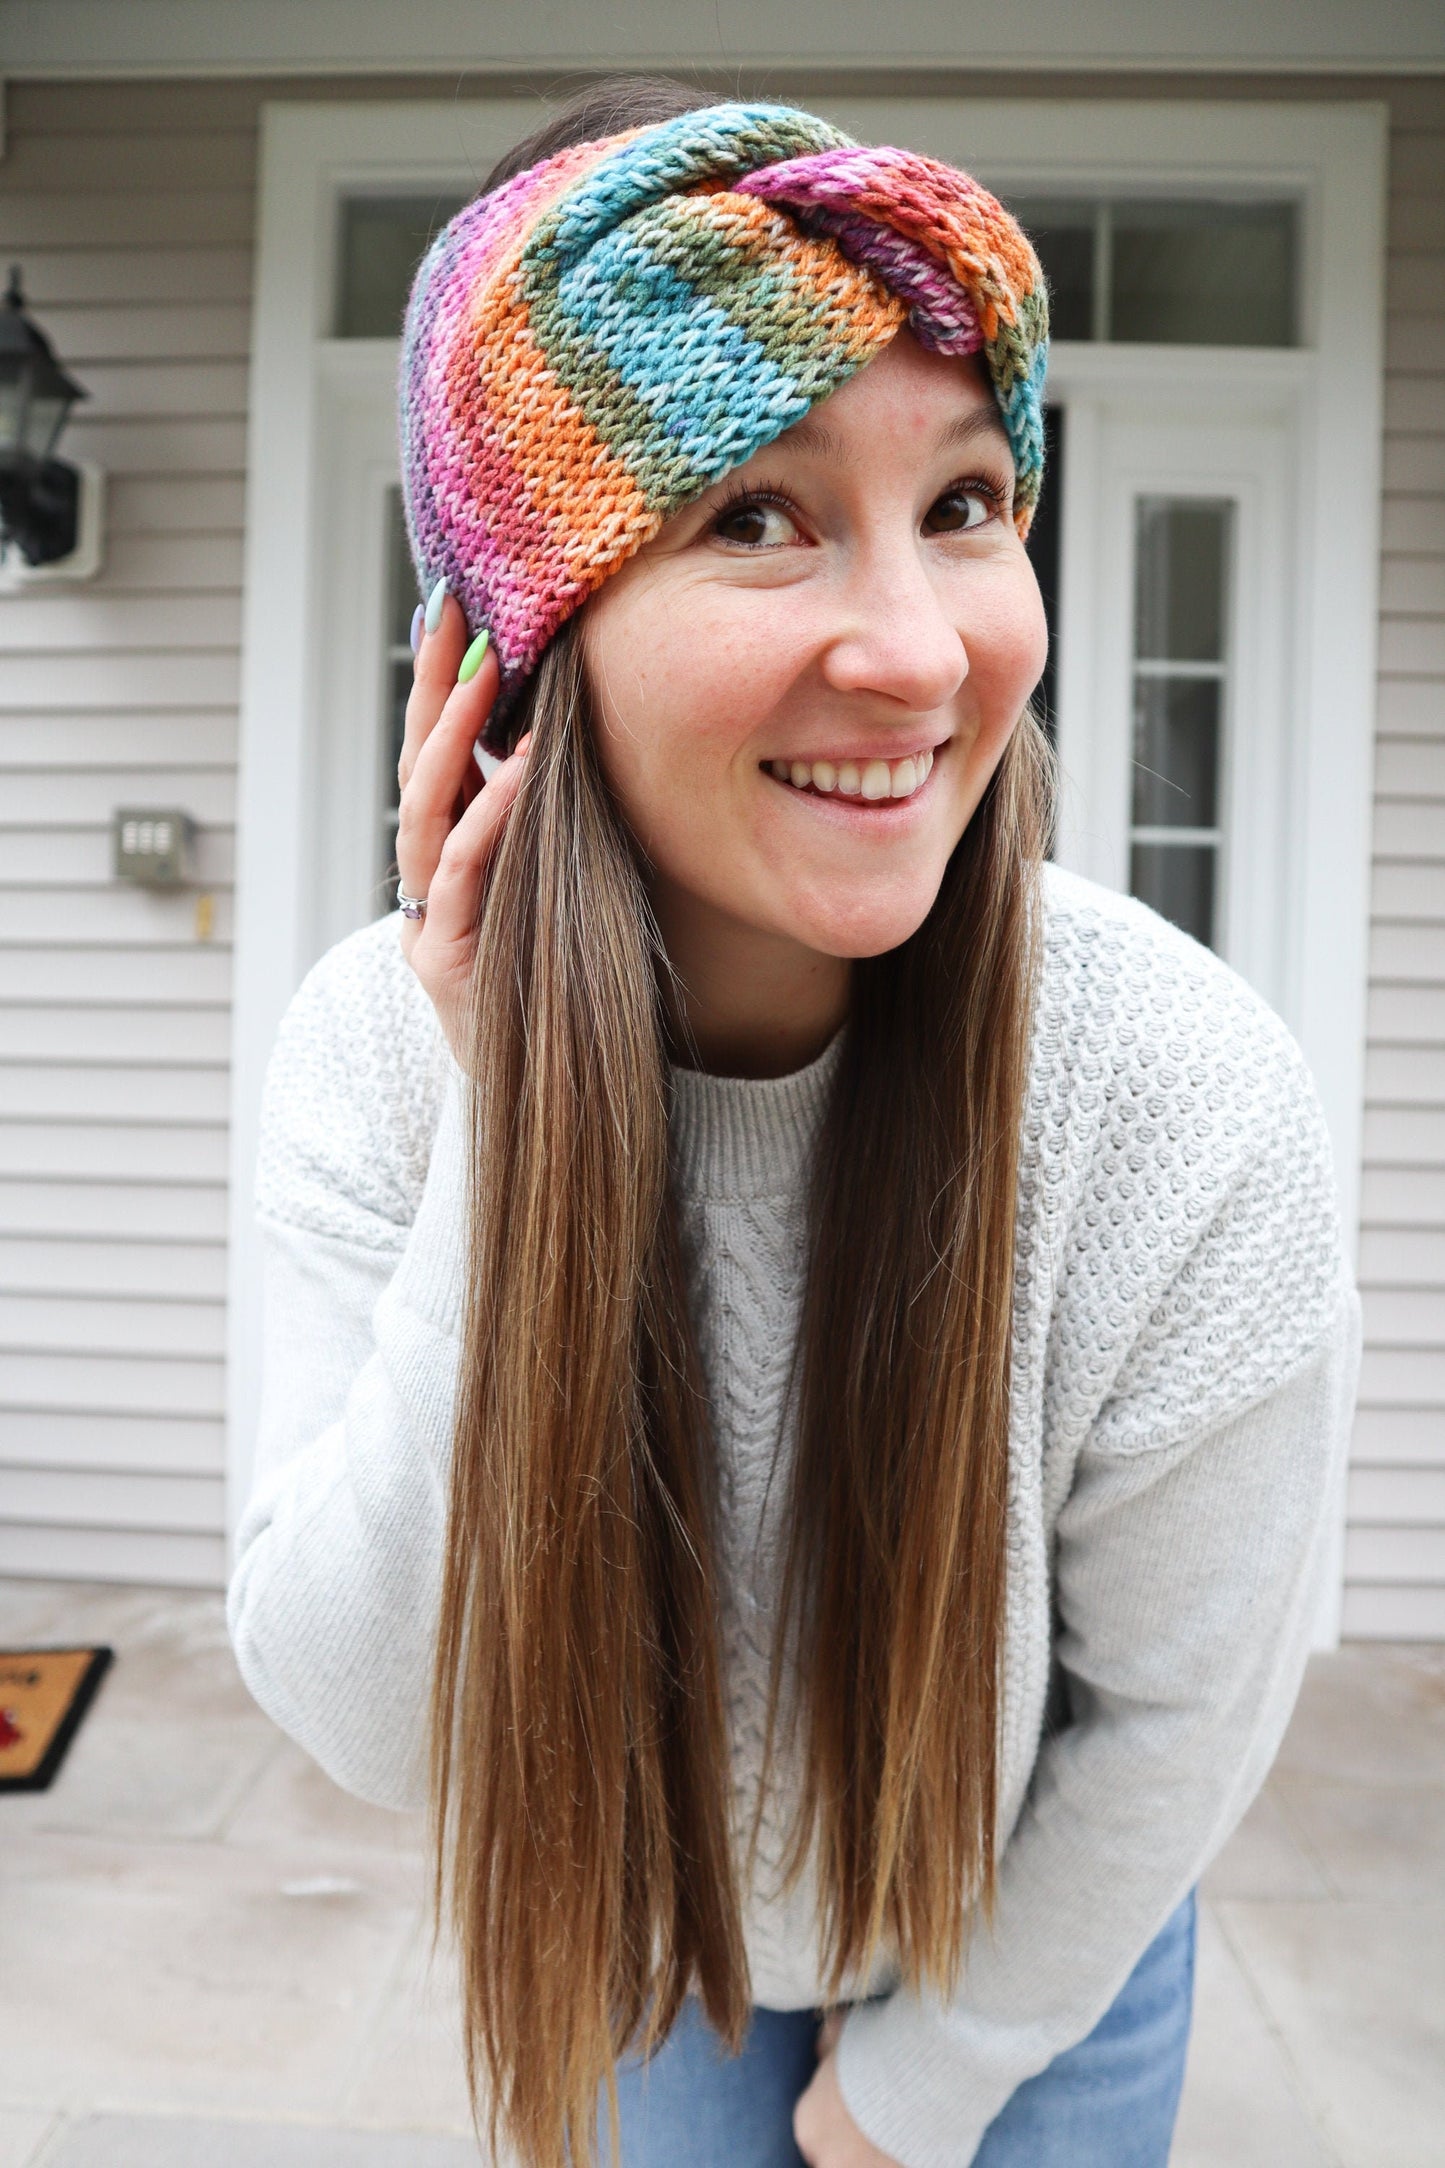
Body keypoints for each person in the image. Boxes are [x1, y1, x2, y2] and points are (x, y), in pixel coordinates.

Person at [227, 79, 1361, 2168]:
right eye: (752, 511)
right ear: (504, 660)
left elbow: (1180, 1716)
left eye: (962, 504)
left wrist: (913, 2094)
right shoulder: (374, 1060)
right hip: (648, 1906)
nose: (922, 655)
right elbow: (372, 1715)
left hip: (1036, 1925)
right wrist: (500, 1127)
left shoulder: (1182, 1094)